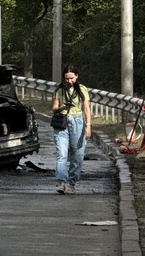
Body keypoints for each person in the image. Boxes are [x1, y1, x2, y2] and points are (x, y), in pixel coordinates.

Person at [53, 64, 92, 195]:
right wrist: (63, 107)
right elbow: (54, 108)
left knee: (77, 154)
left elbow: (86, 108)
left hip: (78, 122)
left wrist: (88, 125)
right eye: (66, 78)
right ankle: (61, 182)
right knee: (62, 154)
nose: (69, 81)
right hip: (62, 123)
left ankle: (72, 183)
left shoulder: (82, 89)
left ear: (76, 76)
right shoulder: (59, 90)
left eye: (71, 78)